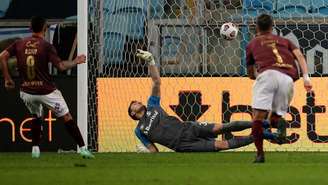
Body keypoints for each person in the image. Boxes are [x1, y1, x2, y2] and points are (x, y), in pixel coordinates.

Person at [129, 49, 275, 153]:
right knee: (222, 145)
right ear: (133, 114)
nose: (136, 101)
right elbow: (154, 150)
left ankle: (263, 123)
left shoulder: (152, 105)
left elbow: (156, 82)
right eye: (133, 104)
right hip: (183, 145)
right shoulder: (139, 131)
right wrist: (147, 151)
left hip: (187, 128)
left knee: (223, 127)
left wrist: (151, 61)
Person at [0, 16, 94, 159]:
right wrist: (76, 61)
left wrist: (7, 78)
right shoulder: (45, 46)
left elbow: (2, 56)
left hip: (27, 91)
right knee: (66, 117)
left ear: (30, 28)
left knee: (36, 116)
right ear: (45, 29)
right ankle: (82, 148)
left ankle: (35, 150)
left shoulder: (19, 44)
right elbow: (61, 66)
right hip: (46, 91)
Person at [246, 14, 312, 163]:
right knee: (275, 117)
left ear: (257, 27)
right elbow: (300, 56)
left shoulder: (252, 43)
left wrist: (256, 77)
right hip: (287, 79)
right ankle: (278, 128)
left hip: (267, 75)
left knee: (257, 118)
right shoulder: (285, 41)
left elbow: (250, 71)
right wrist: (306, 78)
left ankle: (260, 154)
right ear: (272, 26)